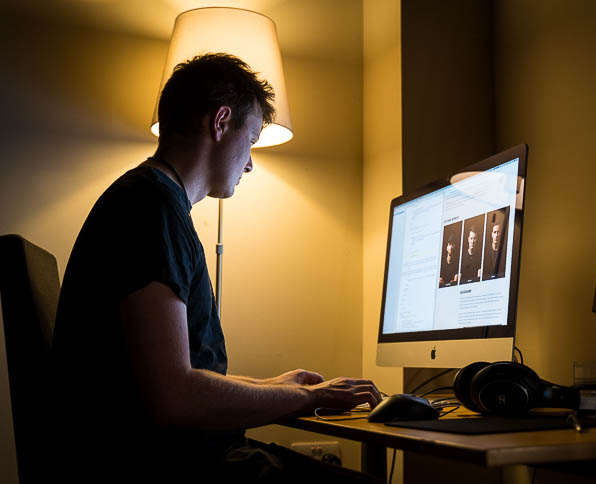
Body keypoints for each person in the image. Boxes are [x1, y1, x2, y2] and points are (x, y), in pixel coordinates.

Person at [51, 53, 382, 483]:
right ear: (221, 122)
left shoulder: (151, 203)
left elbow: (177, 375)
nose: (249, 163)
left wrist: (276, 387)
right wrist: (302, 398)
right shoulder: (149, 211)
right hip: (166, 464)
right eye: (252, 140)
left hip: (172, 454)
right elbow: (174, 397)